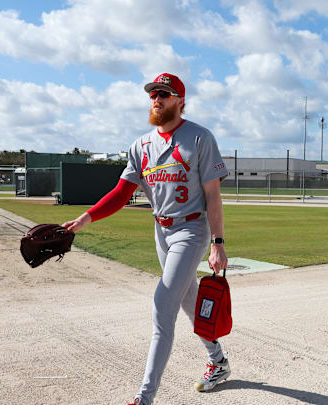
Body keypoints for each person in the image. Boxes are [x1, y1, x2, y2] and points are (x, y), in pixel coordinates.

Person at [62, 73, 231, 405]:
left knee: (162, 307)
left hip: (192, 229)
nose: (157, 98)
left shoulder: (199, 138)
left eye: (165, 94)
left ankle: (144, 397)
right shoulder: (140, 145)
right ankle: (218, 361)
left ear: (180, 101)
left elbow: (213, 195)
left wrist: (218, 243)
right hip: (161, 232)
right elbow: (121, 193)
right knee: (185, 301)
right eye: (153, 93)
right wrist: (85, 218)